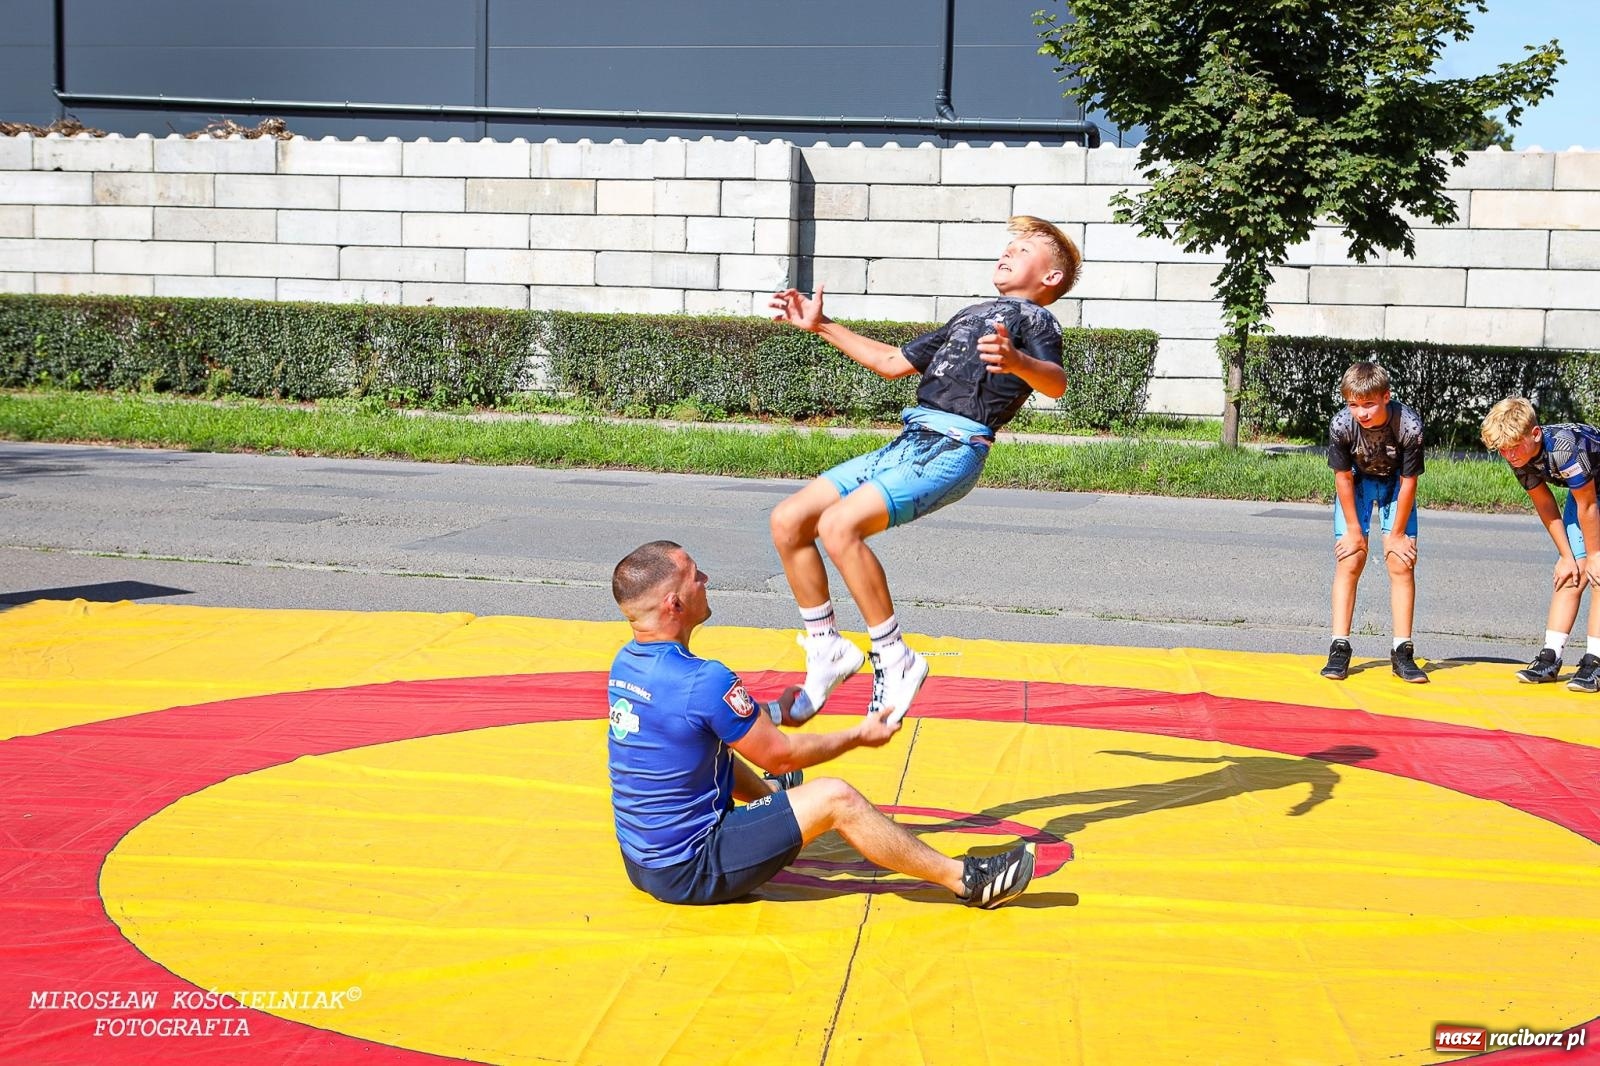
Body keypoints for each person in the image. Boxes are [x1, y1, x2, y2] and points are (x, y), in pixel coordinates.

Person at [767, 215, 1081, 723]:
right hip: (907, 443)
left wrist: (1018, 361)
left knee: (838, 526)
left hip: (952, 447)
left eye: (1022, 251)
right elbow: (892, 362)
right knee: (788, 520)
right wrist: (822, 325)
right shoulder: (973, 313)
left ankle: (895, 655)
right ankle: (827, 647)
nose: (1006, 255)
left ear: (1049, 279)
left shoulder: (1035, 321)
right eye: (1008, 247)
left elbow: (1057, 383)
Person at [606, 539, 1036, 908]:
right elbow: (778, 753)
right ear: (674, 603)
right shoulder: (702, 678)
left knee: (728, 754)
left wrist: (772, 715)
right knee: (836, 798)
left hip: (642, 863)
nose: (707, 580)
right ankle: (966, 880)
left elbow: (699, 729)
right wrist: (859, 735)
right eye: (696, 576)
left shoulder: (626, 664)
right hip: (692, 868)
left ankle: (772, 797)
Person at [1480, 397, 1600, 691]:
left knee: (1598, 574)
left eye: (1513, 447)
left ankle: (1594, 662)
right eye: (1502, 450)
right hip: (1586, 493)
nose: (1508, 455)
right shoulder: (1518, 454)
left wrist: (1596, 554)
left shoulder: (1565, 448)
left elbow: (1587, 507)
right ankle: (1550, 656)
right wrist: (1565, 555)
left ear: (1534, 435)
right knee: (1571, 573)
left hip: (1590, 496)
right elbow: (1544, 502)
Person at [1319, 362, 1428, 683]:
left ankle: (1402, 650)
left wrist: (1396, 535)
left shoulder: (1408, 425)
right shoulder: (1341, 424)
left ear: (1385, 397)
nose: (1361, 413)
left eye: (1368, 405)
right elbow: (1341, 477)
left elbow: (1409, 482)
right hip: (1358, 481)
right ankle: (1339, 646)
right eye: (1354, 405)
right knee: (1351, 559)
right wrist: (1354, 529)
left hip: (1395, 482)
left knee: (1400, 562)